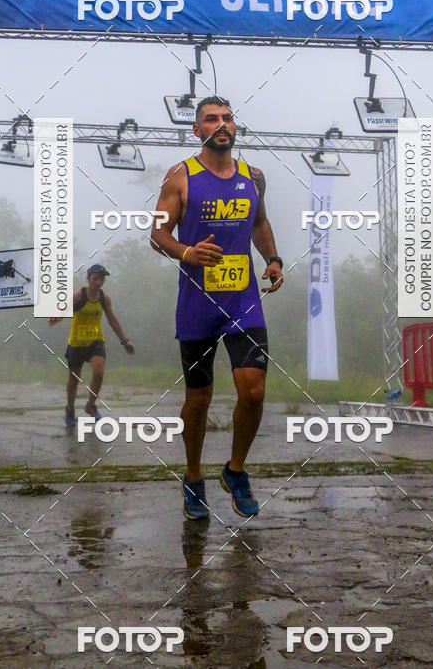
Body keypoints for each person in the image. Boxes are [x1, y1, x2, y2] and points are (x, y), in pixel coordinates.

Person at [151, 96, 283, 519]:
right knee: (199, 399)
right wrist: (187, 252)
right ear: (197, 131)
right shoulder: (180, 177)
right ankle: (192, 477)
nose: (222, 125)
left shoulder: (253, 177)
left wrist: (273, 259)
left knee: (255, 390)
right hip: (198, 304)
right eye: (212, 119)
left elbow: (258, 223)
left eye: (227, 118)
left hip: (242, 300)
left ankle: (236, 470)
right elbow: (157, 234)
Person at [49, 264, 134, 427]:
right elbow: (63, 310)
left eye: (102, 279)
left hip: (96, 340)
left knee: (99, 372)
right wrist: (56, 318)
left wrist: (125, 341)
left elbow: (112, 320)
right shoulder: (78, 296)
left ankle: (90, 405)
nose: (99, 282)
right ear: (88, 279)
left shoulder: (105, 299)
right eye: (95, 278)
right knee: (74, 380)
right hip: (76, 342)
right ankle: (70, 409)